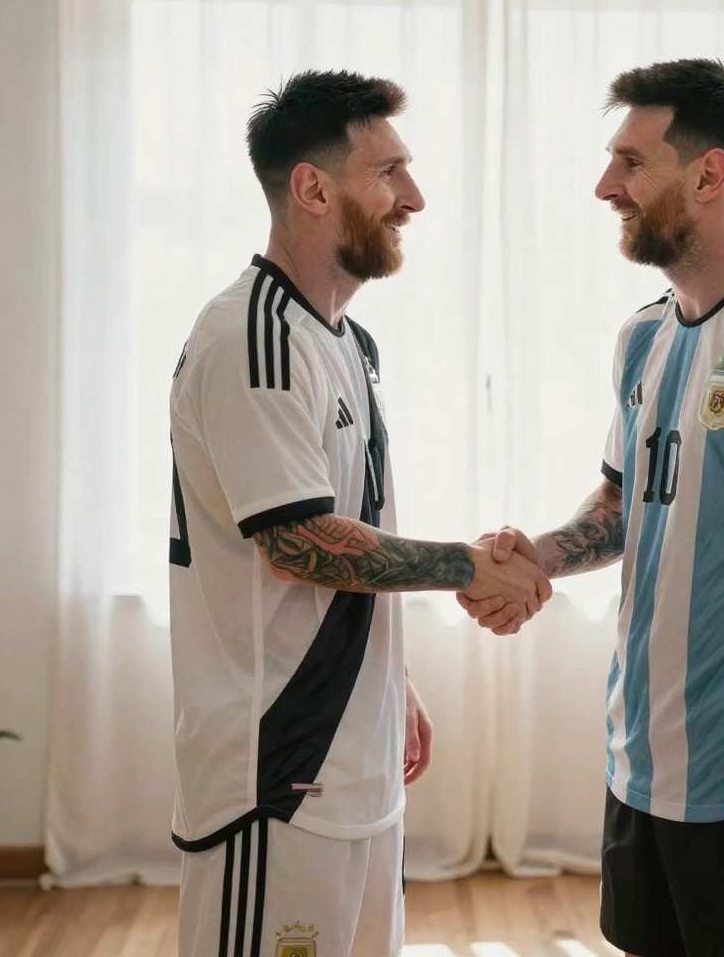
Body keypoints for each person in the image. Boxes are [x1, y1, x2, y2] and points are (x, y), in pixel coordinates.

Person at [460, 58, 724, 957]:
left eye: (630, 162)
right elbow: (624, 506)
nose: (604, 186)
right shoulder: (645, 336)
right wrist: (539, 554)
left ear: (708, 173)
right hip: (641, 769)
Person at [168, 69, 551, 957]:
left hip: (356, 764)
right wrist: (470, 565)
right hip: (276, 780)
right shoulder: (251, 340)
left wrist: (391, 680)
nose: (413, 197)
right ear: (311, 188)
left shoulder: (344, 338)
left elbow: (343, 524)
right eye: (389, 172)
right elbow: (298, 542)